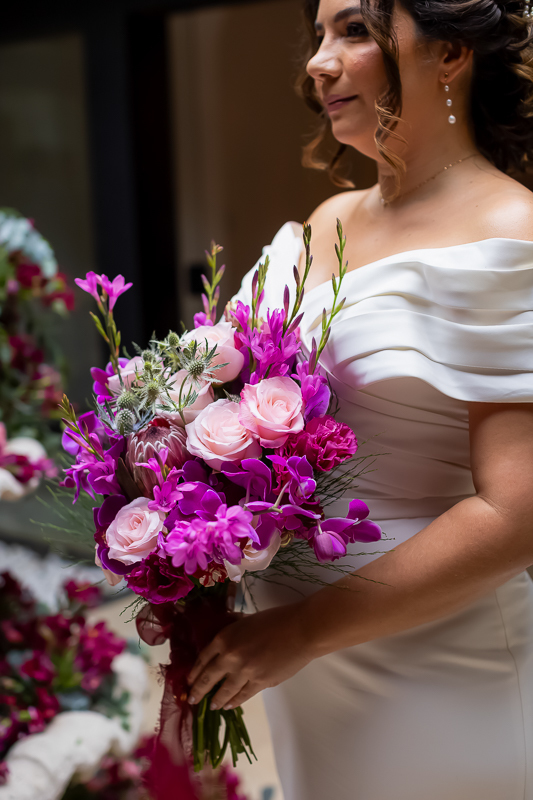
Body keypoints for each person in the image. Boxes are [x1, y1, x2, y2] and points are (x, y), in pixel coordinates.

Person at [187, 1, 533, 797]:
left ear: (449, 53)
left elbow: (517, 513)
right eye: (318, 35)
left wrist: (304, 630)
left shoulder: (508, 232)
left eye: (351, 30)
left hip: (441, 667)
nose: (318, 61)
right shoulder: (326, 222)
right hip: (305, 674)